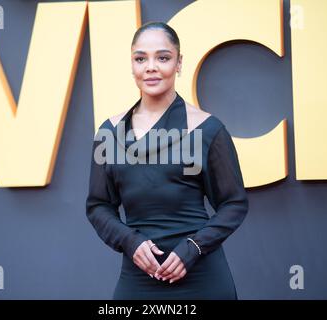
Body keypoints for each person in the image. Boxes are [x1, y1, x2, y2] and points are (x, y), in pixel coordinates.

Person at [85, 21, 249, 300]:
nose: (150, 67)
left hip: (201, 276)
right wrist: (130, 242)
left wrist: (194, 247)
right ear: (132, 65)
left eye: (162, 57)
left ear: (178, 63)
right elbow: (99, 205)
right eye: (141, 58)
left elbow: (234, 203)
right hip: (138, 277)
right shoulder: (110, 132)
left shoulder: (207, 129)